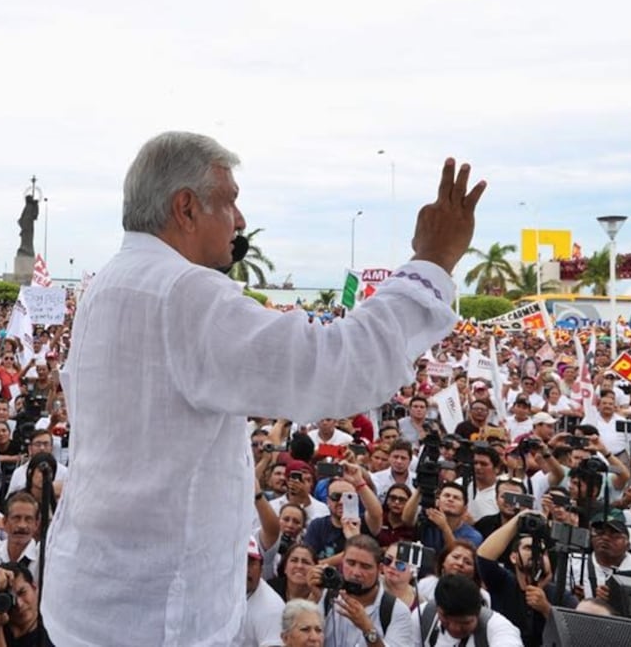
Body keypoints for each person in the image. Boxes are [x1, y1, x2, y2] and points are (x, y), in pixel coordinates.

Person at [42, 133, 484, 645]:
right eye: (229, 200)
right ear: (185, 207)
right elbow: (336, 365)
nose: (240, 219)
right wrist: (432, 260)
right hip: (154, 617)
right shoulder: (184, 292)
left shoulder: (108, 284)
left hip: (91, 596)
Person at [475, 511, 578, 646]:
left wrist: (546, 608)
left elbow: (573, 635)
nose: (535, 553)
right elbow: (483, 555)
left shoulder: (560, 594)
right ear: (513, 557)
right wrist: (519, 518)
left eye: (541, 551)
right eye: (528, 548)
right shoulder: (503, 582)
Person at [307, 535, 414, 647]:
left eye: (365, 567)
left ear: (379, 569)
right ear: (342, 562)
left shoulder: (397, 611)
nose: (356, 572)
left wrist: (367, 629)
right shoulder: (325, 597)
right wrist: (313, 599)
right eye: (351, 563)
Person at [411, 574, 521, 646]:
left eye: (465, 622)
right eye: (446, 619)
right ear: (437, 608)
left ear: (478, 612)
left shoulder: (498, 628)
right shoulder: (423, 614)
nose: (455, 628)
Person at [0, 563, 51, 647]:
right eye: (10, 598)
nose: (19, 604)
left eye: (22, 592)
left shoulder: (51, 631)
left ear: (34, 587)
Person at [0, 491, 41, 585]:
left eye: (28, 519)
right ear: (4, 522)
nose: (22, 525)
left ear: (36, 524)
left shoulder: (43, 559)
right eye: (16, 518)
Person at [236, 536, 286, 647]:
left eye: (251, 562)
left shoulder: (272, 607)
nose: (245, 568)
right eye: (240, 560)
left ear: (261, 569)